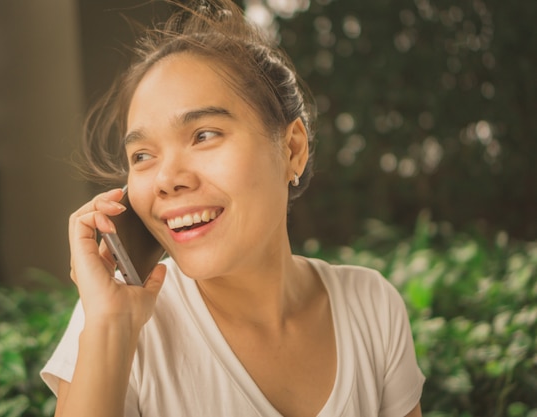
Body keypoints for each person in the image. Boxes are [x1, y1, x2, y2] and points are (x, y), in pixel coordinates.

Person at [40, 0, 425, 416]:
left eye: (204, 134)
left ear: (292, 148)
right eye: (142, 156)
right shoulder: (113, 319)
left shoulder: (370, 307)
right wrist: (112, 327)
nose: (168, 178)